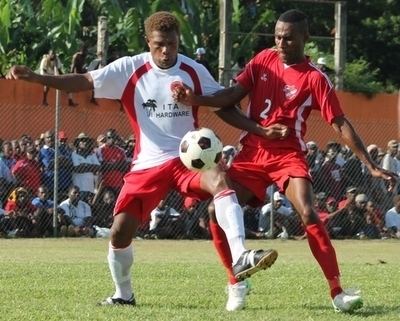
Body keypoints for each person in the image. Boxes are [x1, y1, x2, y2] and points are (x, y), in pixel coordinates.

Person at [7, 11, 279, 311]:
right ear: (148, 41)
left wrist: (259, 130)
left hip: (187, 159)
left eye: (173, 44)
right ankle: (123, 294)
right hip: (147, 163)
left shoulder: (193, 70)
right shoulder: (128, 68)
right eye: (160, 44)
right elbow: (82, 82)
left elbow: (222, 105)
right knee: (119, 231)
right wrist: (37, 77)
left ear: (178, 43)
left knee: (219, 178)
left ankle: (240, 257)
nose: (166, 51)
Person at [173, 9, 397, 312]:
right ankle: (235, 283)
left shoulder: (315, 78)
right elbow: (232, 95)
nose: (281, 42)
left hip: (288, 154)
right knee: (216, 209)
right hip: (252, 153)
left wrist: (369, 164)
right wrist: (194, 99)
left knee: (308, 212)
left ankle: (337, 292)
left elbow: (340, 123)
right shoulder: (262, 60)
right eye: (277, 36)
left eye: (288, 38)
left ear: (305, 38)